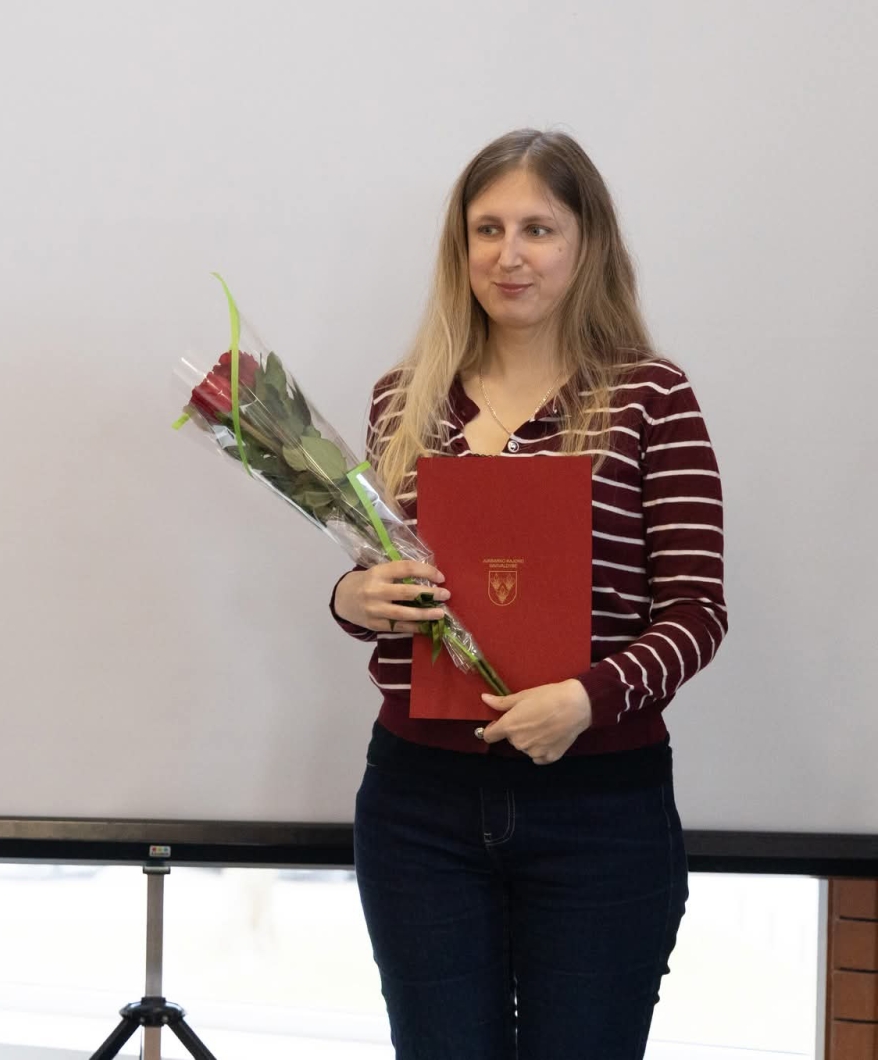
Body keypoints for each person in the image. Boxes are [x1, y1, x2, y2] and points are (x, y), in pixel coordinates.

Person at [329, 129, 725, 1058]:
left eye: (539, 229)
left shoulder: (651, 398)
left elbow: (697, 613)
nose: (509, 255)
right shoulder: (402, 400)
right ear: (460, 246)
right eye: (488, 229)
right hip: (418, 807)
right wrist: (354, 599)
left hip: (599, 810)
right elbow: (381, 586)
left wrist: (586, 700)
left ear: (587, 243)